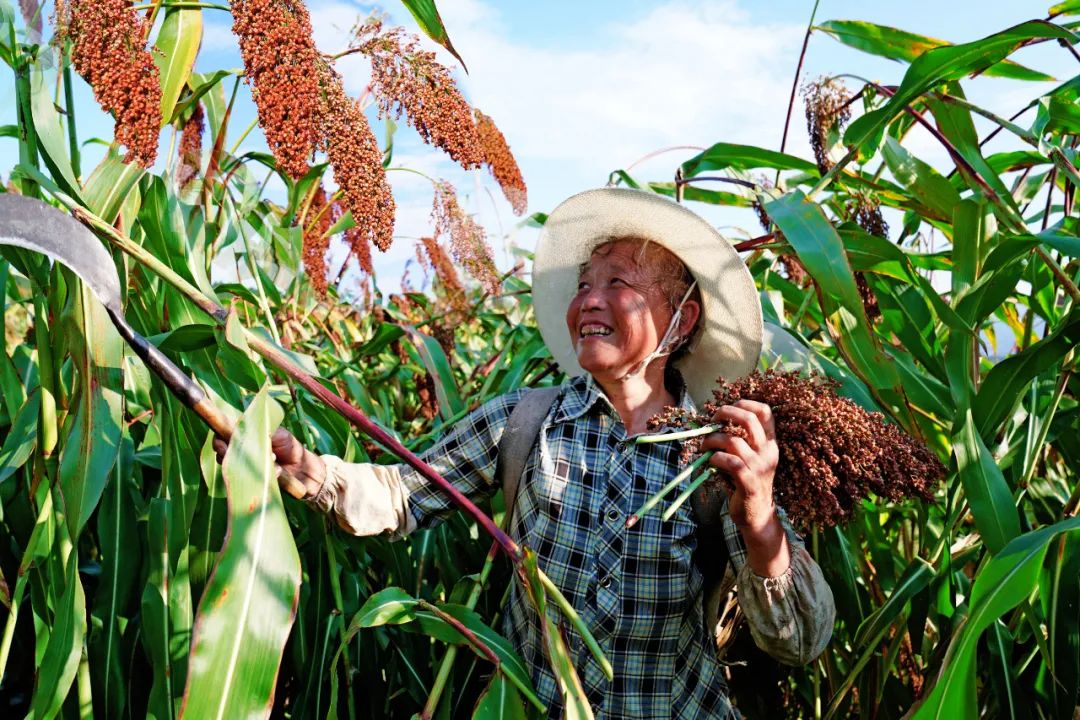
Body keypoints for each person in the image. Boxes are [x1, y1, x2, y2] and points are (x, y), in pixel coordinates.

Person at [238, 189, 835, 718]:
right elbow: (403, 493)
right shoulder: (523, 421)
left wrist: (758, 516)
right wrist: (307, 469)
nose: (590, 302)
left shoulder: (716, 455)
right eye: (582, 287)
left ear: (681, 322)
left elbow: (798, 640)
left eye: (619, 283)